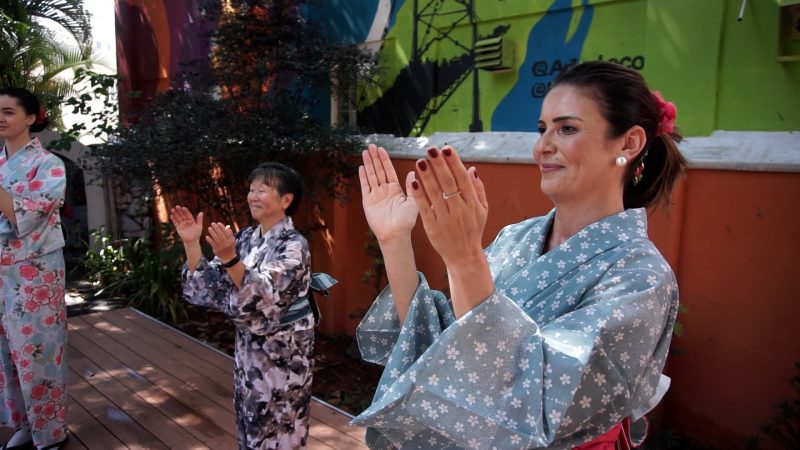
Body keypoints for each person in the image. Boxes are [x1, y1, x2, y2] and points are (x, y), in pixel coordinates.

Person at [351, 60, 687, 449]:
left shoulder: (641, 275)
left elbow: (543, 400)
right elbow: (442, 344)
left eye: (567, 128)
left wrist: (464, 260)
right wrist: (395, 241)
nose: (543, 145)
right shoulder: (517, 237)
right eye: (542, 129)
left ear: (628, 143)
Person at [170, 162, 322, 450]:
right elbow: (208, 287)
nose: (253, 196)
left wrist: (230, 259)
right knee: (251, 422)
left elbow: (265, 294)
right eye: (251, 190)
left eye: (262, 190)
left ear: (286, 200)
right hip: (249, 352)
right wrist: (192, 245)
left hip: (284, 353)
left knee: (280, 428)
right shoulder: (245, 238)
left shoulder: (294, 245)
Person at [0, 87, 69, 450]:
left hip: (35, 270)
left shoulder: (49, 164)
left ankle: (51, 432)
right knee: (6, 353)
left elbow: (23, 216)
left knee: (37, 350)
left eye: (9, 111)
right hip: (0, 271)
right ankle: (24, 425)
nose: (1, 117)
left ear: (31, 118)